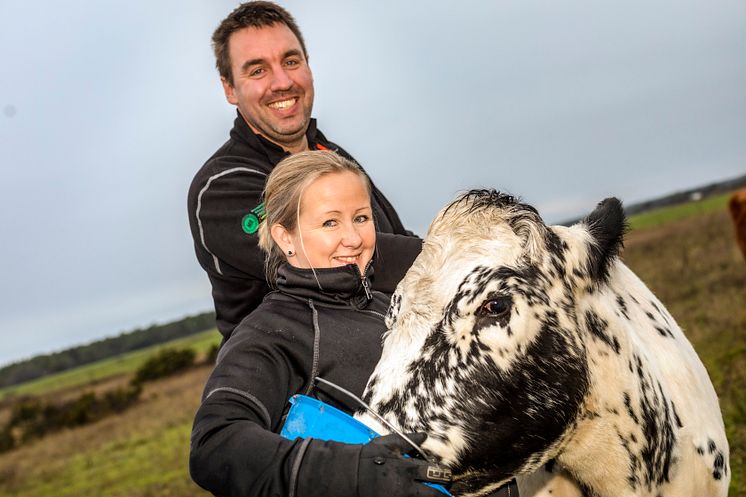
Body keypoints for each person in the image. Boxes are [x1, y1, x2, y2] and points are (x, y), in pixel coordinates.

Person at [189, 151, 445, 497]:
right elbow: (215, 445)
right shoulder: (271, 332)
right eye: (330, 223)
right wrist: (351, 473)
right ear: (285, 238)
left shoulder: (395, 304)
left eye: (361, 217)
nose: (354, 239)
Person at [187, 1, 421, 341]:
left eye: (291, 61)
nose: (282, 82)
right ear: (229, 88)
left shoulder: (333, 157)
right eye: (257, 70)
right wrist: (451, 254)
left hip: (390, 352)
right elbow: (329, 262)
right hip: (296, 380)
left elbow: (398, 239)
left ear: (308, 66)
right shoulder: (222, 187)